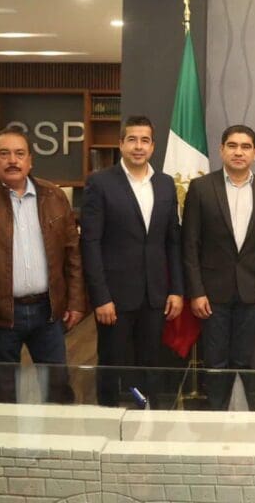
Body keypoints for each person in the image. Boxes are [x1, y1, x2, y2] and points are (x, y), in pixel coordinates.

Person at [0, 127, 85, 404]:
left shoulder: (54, 196)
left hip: (48, 313)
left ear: (30, 161)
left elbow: (73, 254)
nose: (13, 160)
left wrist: (76, 301)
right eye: (4, 154)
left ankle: (57, 435)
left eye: (19, 154)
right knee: (4, 395)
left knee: (58, 391)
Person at [81, 115, 183, 407]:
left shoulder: (165, 184)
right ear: (121, 144)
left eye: (145, 140)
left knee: (150, 362)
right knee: (112, 363)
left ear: (153, 146)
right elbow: (90, 243)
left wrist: (176, 289)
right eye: (132, 140)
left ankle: (146, 415)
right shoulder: (100, 183)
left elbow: (172, 241)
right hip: (114, 297)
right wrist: (101, 297)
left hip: (155, 295)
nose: (139, 146)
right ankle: (107, 417)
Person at [182, 125, 255, 410]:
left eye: (245, 146)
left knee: (245, 360)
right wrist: (196, 292)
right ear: (222, 149)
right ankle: (217, 416)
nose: (239, 152)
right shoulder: (201, 188)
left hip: (251, 291)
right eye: (232, 145)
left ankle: (242, 418)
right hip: (211, 293)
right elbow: (190, 244)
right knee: (215, 362)